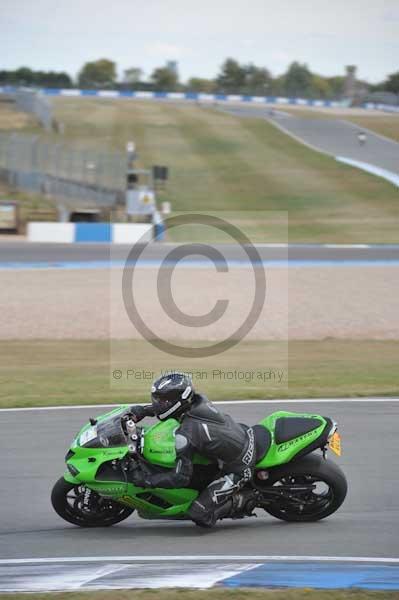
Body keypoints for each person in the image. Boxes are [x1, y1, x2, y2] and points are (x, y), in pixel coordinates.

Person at [125, 371, 269, 527]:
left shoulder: (187, 434)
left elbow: (180, 478)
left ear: (178, 400)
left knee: (198, 513)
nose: (158, 403)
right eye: (157, 399)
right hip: (238, 437)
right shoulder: (197, 400)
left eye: (163, 400)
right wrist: (143, 411)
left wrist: (146, 480)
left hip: (239, 465)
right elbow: (169, 408)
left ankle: (243, 499)